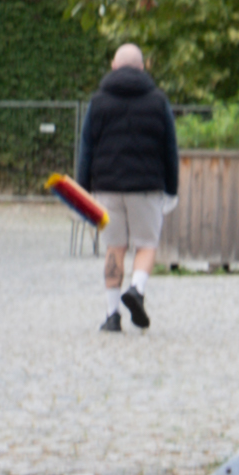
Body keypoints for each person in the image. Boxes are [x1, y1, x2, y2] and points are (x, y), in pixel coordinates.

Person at [78, 42, 182, 330]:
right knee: (146, 245)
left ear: (113, 66)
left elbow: (86, 149)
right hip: (146, 187)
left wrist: (82, 193)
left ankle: (112, 316)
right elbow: (170, 150)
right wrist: (171, 190)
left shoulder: (98, 102)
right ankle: (136, 289)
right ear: (143, 66)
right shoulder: (158, 101)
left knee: (115, 247)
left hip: (106, 187)